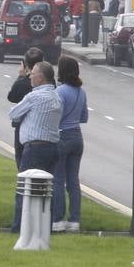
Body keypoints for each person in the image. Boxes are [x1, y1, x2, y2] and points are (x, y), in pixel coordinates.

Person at [8, 61, 62, 233]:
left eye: (32, 74)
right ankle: (45, 227)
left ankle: (19, 228)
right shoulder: (56, 96)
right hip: (52, 147)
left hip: (34, 148)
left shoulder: (34, 96)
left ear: (40, 78)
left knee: (25, 188)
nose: (30, 76)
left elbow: (13, 113)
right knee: (46, 190)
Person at [53, 56, 88, 233]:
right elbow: (84, 118)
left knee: (58, 179)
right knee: (73, 181)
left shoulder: (60, 91)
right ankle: (75, 221)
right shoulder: (81, 92)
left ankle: (58, 220)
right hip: (77, 136)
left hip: (62, 135)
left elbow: (55, 116)